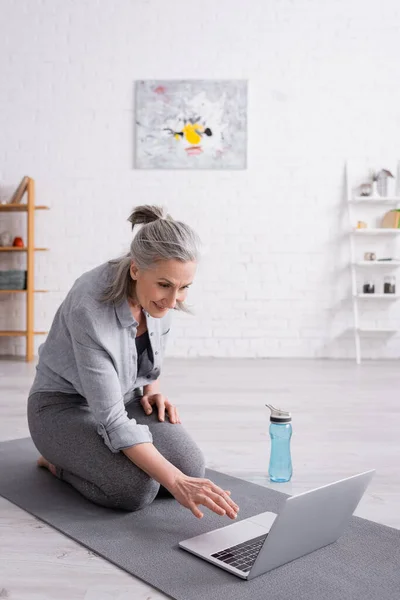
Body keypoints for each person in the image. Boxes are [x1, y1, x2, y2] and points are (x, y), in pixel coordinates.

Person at [27, 204, 239, 521]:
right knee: (135, 489)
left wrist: (151, 389)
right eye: (165, 285)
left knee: (192, 465)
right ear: (135, 269)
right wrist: (176, 482)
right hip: (62, 407)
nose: (173, 301)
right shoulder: (90, 306)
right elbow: (112, 419)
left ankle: (100, 459)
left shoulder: (161, 291)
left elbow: (147, 357)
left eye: (184, 287)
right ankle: (56, 461)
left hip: (125, 399)